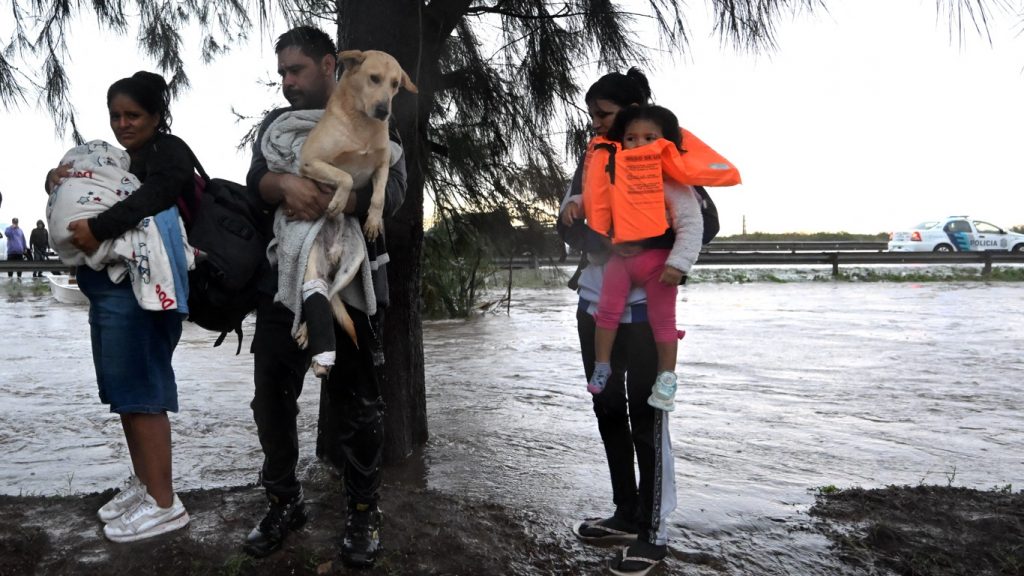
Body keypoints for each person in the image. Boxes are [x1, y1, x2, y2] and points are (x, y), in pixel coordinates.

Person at [243, 25, 407, 567]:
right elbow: (255, 184)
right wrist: (284, 185)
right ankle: (283, 503)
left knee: (358, 405)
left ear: (332, 65)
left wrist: (337, 193)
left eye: (298, 70)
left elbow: (397, 194)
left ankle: (362, 511)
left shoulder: (377, 117)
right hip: (283, 284)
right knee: (272, 399)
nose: (288, 83)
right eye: (283, 73)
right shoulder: (275, 126)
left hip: (351, 286)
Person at [43, 71, 194, 543]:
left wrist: (99, 227)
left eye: (134, 115)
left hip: (142, 291)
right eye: (116, 116)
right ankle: (147, 486)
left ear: (156, 115)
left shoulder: (170, 153)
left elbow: (155, 197)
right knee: (125, 393)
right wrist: (55, 179)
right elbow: (88, 186)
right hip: (108, 288)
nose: (123, 124)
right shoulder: (118, 158)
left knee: (144, 391)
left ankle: (166, 504)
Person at [558, 68, 677, 576]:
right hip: (595, 308)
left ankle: (654, 531)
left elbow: (704, 222)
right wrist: (598, 240)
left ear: (634, 111)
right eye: (593, 117)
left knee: (648, 417)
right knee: (607, 409)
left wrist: (647, 243)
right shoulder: (593, 159)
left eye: (605, 115)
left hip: (648, 311)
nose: (598, 126)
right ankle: (625, 512)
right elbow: (566, 224)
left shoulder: (668, 157)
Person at [584, 105, 705, 412]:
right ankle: (602, 365)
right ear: (621, 142)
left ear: (666, 142)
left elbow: (692, 223)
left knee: (663, 321)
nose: (639, 145)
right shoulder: (614, 175)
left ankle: (666, 380)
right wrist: (575, 204)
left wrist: (678, 264)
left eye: (650, 138)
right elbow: (596, 204)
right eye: (631, 138)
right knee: (606, 312)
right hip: (620, 260)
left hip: (660, 265)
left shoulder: (672, 182)